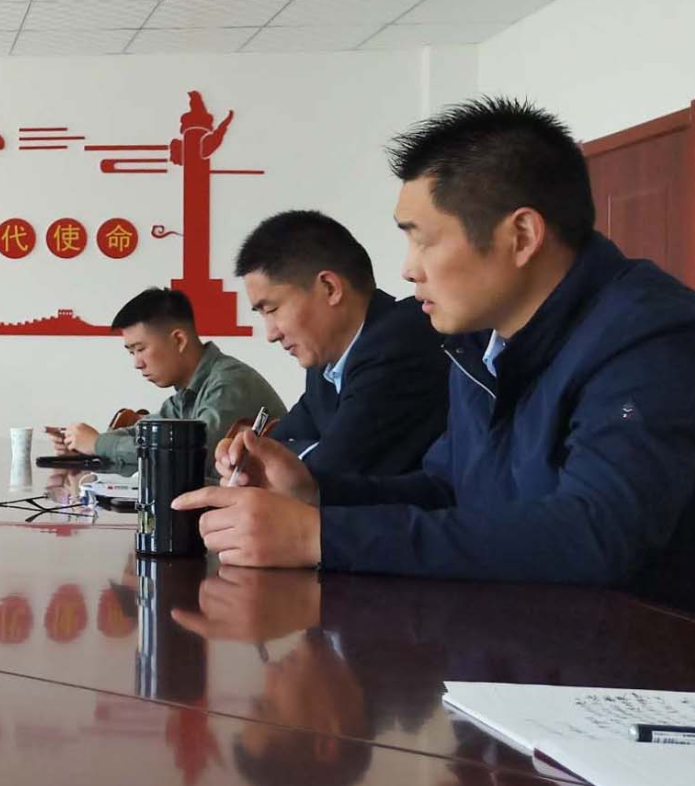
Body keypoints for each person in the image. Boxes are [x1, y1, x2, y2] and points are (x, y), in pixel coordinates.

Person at [173, 98, 695, 611]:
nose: (407, 270)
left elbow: (596, 532)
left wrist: (321, 536)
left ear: (521, 236)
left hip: (636, 652)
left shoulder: (647, 335)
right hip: (515, 637)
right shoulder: (479, 343)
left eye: (423, 241)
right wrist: (314, 493)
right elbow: (448, 490)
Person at [234, 209, 448, 475]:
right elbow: (276, 446)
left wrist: (267, 459)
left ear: (330, 288)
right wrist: (246, 457)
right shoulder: (325, 365)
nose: (271, 334)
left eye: (272, 309)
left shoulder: (399, 344)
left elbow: (328, 473)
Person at [52, 288, 286, 473]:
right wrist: (83, 444)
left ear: (178, 340)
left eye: (140, 349)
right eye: (131, 352)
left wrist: (97, 444)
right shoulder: (185, 395)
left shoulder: (229, 384)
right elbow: (142, 434)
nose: (137, 363)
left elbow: (188, 457)